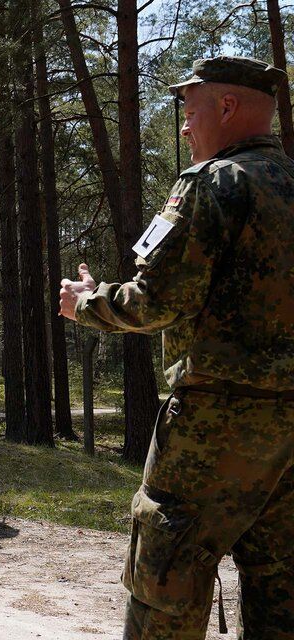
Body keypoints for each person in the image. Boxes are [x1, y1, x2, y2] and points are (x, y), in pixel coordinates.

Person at [60, 56, 294, 639]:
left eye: (190, 110)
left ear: (227, 106)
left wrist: (87, 303)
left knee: (165, 576)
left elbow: (159, 300)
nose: (186, 127)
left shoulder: (214, 183)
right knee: (282, 585)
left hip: (216, 420)